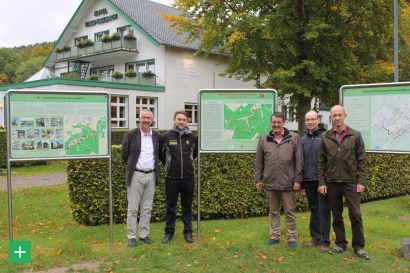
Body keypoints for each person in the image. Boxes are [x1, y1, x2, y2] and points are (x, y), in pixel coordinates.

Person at [318, 105, 370, 259]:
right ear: (331, 118)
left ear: (345, 116)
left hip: (351, 182)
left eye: (340, 115)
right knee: (337, 215)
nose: (337, 118)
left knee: (355, 214)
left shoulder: (355, 135)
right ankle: (341, 244)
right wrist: (322, 183)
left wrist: (361, 182)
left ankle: (359, 247)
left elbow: (362, 160)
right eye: (334, 115)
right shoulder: (326, 137)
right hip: (332, 182)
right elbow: (321, 162)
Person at [254, 112, 303, 247]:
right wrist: (258, 179)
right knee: (273, 212)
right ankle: (274, 236)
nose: (276, 124)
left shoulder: (294, 138)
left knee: (290, 212)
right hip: (270, 181)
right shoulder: (264, 139)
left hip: (288, 182)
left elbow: (299, 161)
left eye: (279, 122)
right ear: (271, 123)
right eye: (274, 122)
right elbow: (259, 162)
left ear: (284, 122)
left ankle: (292, 237)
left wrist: (298, 180)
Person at [121, 109, 163, 247]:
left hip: (151, 175)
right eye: (144, 117)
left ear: (152, 120)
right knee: (132, 208)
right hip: (136, 175)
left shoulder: (156, 136)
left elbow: (159, 155)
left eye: (148, 118)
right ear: (139, 119)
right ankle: (131, 236)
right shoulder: (131, 134)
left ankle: (144, 234)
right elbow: (125, 155)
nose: (146, 120)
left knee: (147, 208)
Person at [161, 110, 198, 244]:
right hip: (171, 178)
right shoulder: (165, 136)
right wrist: (169, 165)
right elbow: (161, 155)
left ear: (187, 122)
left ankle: (188, 233)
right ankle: (169, 233)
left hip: (188, 178)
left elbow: (194, 155)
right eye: (179, 119)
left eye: (184, 120)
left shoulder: (193, 138)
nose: (181, 122)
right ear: (174, 120)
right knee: (170, 207)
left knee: (187, 207)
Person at [300, 110, 331, 252]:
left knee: (324, 210)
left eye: (313, 119)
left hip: (322, 180)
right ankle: (315, 238)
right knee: (313, 209)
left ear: (318, 120)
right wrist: (301, 184)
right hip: (308, 180)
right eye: (308, 120)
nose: (310, 122)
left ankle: (325, 241)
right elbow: (300, 163)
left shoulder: (326, 137)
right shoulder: (302, 140)